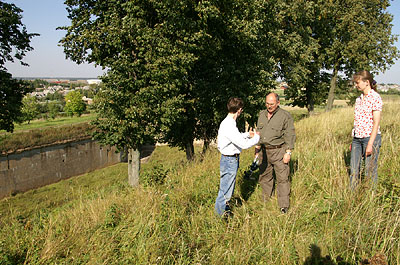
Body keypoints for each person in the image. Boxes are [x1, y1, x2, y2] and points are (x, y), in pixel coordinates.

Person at [215, 97, 260, 217]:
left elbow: (235, 137)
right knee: (225, 192)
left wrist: (247, 134)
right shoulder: (229, 124)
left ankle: (224, 212)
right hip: (229, 160)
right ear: (239, 110)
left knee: (227, 189)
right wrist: (256, 137)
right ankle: (220, 216)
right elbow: (243, 145)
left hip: (229, 159)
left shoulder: (228, 123)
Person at [255, 92, 295, 214]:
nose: (269, 106)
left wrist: (288, 152)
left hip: (279, 150)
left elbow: (290, 134)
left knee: (282, 178)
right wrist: (256, 151)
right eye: (267, 103)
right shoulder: (261, 114)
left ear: (278, 102)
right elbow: (258, 133)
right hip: (264, 151)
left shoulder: (285, 116)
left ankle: (283, 206)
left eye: (272, 104)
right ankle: (266, 200)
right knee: (265, 177)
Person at [350, 70, 382, 189]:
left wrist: (370, 144)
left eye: (358, 82)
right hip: (357, 138)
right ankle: (352, 196)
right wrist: (353, 139)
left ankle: (371, 197)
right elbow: (357, 121)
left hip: (370, 138)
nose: (356, 85)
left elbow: (376, 122)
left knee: (370, 171)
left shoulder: (375, 97)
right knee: (354, 169)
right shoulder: (359, 99)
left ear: (366, 82)